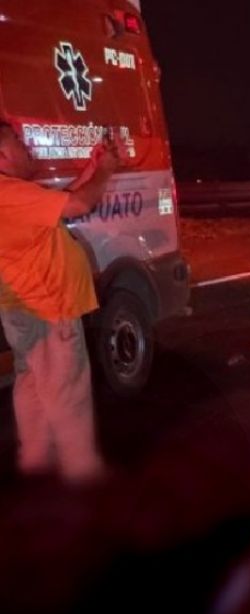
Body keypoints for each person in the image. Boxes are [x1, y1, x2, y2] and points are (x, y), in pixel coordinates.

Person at [0, 118, 116, 483]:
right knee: (67, 392)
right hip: (49, 309)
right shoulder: (8, 193)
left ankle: (36, 462)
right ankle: (82, 476)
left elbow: (61, 202)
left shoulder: (14, 195)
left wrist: (91, 169)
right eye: (18, 141)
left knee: (33, 384)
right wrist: (106, 171)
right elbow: (78, 204)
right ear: (2, 155)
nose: (27, 146)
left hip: (21, 308)